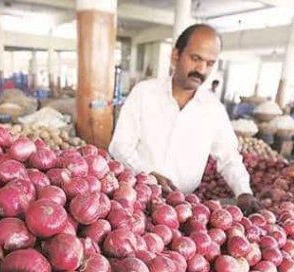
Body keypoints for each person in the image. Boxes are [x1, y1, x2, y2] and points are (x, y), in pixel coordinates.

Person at [109, 24, 261, 214]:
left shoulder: (213, 109)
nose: (201, 69)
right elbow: (120, 146)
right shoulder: (144, 93)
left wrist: (243, 191)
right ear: (175, 56)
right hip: (135, 198)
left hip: (184, 209)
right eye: (195, 58)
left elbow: (229, 157)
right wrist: (146, 173)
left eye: (210, 63)